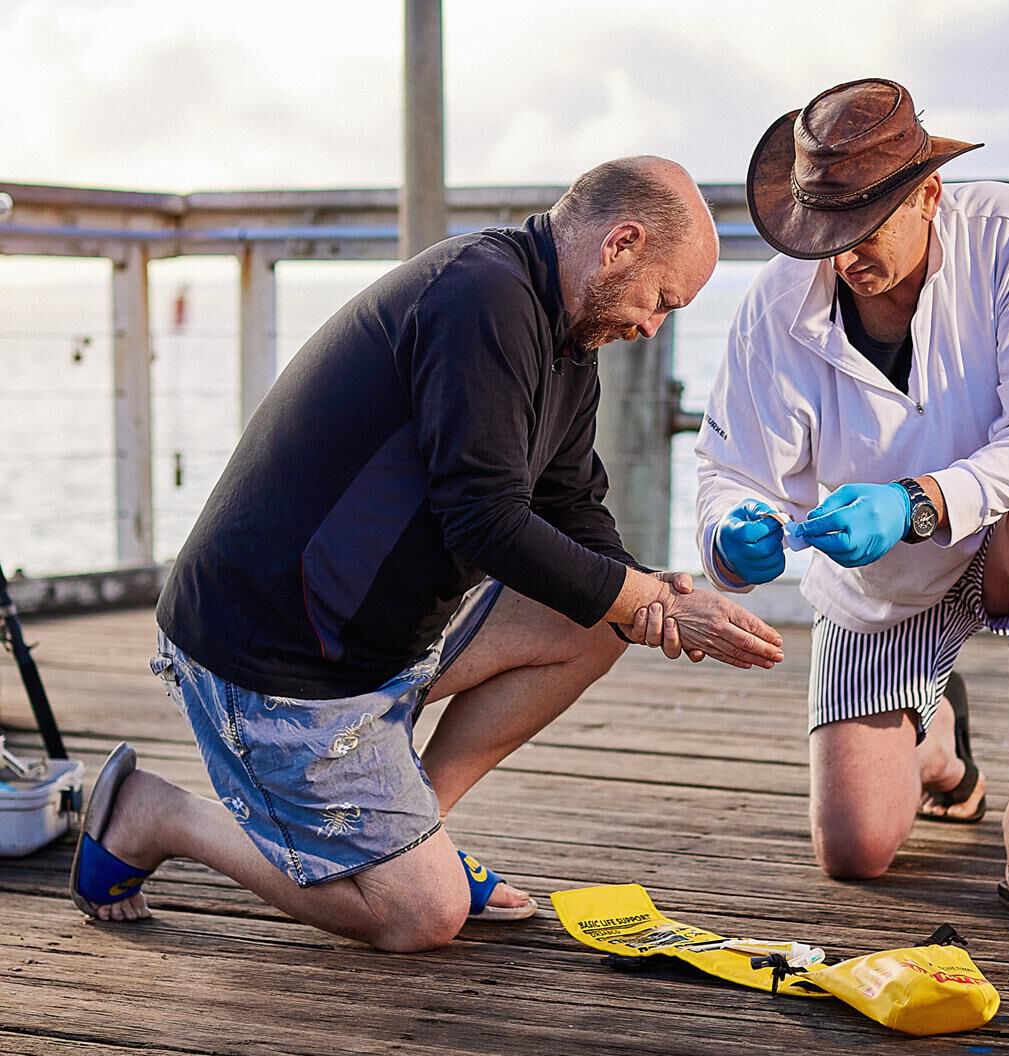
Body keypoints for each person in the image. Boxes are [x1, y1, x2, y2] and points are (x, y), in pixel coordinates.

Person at [69, 156, 785, 952]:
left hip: (380, 644)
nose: (655, 326)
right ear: (621, 243)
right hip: (273, 656)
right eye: (661, 301)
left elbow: (571, 503)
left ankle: (416, 831)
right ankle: (159, 815)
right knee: (421, 917)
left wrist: (650, 593)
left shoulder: (565, 338)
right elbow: (484, 522)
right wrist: (650, 604)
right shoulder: (482, 295)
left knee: (597, 620)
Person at [695, 80, 1009, 934]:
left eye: (863, 229)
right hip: (879, 589)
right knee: (854, 854)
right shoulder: (773, 305)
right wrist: (734, 536)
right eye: (823, 233)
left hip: (999, 545)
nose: (841, 256)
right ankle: (941, 742)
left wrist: (919, 501)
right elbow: (728, 472)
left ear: (928, 192)